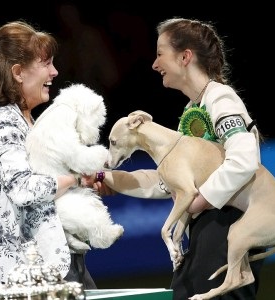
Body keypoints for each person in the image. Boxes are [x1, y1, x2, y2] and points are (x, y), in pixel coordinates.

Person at [89, 17, 264, 299]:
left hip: (230, 226)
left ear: (185, 57)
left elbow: (244, 161)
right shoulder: (191, 113)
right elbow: (166, 182)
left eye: (160, 54)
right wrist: (104, 177)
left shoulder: (221, 100)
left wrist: (199, 200)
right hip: (209, 228)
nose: (155, 64)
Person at [0, 20, 96, 289]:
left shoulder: (27, 121)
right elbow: (24, 189)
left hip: (52, 264)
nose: (55, 72)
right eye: (46, 64)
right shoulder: (4, 121)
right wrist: (75, 180)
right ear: (18, 72)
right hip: (25, 274)